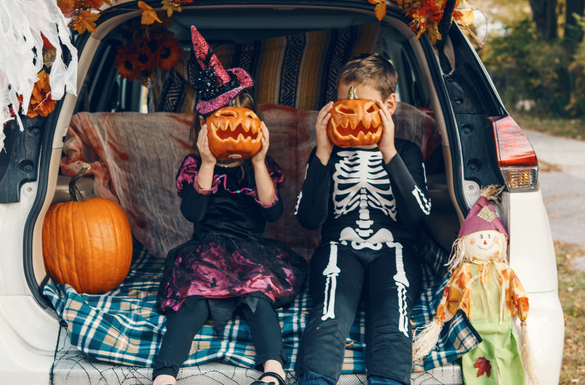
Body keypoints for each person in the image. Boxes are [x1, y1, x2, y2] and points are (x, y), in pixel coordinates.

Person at [153, 26, 307, 385]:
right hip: (206, 248)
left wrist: (258, 161)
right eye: (224, 123)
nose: (236, 130)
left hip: (253, 250)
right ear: (205, 128)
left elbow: (272, 212)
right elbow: (193, 213)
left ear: (258, 128)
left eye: (246, 122)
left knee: (257, 297)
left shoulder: (261, 169)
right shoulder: (195, 167)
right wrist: (207, 160)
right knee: (193, 300)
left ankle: (273, 371)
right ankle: (165, 375)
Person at [294, 54, 432, 385]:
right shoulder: (326, 153)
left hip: (395, 249)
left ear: (390, 105)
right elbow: (309, 219)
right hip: (340, 248)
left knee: (394, 315)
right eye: (345, 106)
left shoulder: (406, 152)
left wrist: (389, 152)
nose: (354, 116)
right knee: (329, 313)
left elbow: (418, 216)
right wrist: (324, 153)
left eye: (366, 108)